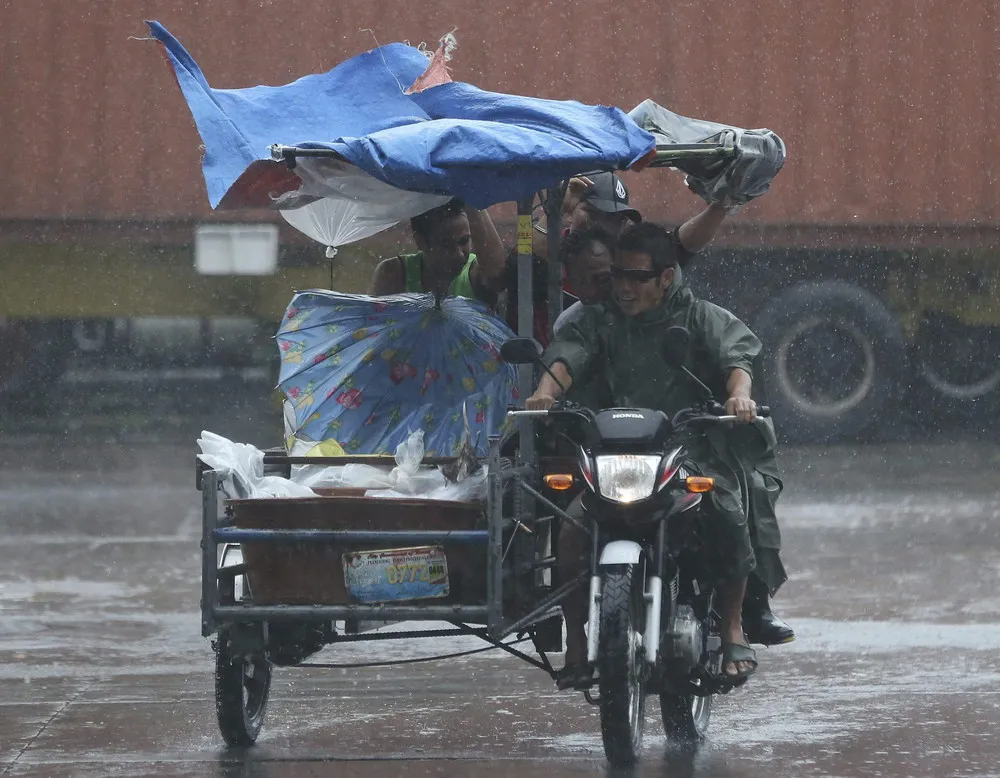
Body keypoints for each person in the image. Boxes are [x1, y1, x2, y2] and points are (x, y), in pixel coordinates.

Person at [526, 222, 767, 685]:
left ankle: (734, 626)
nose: (623, 287)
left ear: (665, 277)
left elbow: (736, 359)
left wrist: (739, 397)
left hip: (688, 449)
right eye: (618, 275)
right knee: (572, 528)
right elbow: (568, 355)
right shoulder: (600, 319)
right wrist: (545, 393)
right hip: (618, 453)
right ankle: (575, 639)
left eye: (637, 277)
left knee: (726, 511)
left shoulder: (699, 317)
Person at [368, 198, 506, 302]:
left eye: (464, 241)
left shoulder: (474, 274)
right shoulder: (394, 274)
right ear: (420, 241)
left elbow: (497, 274)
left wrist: (470, 196)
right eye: (446, 244)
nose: (459, 254)